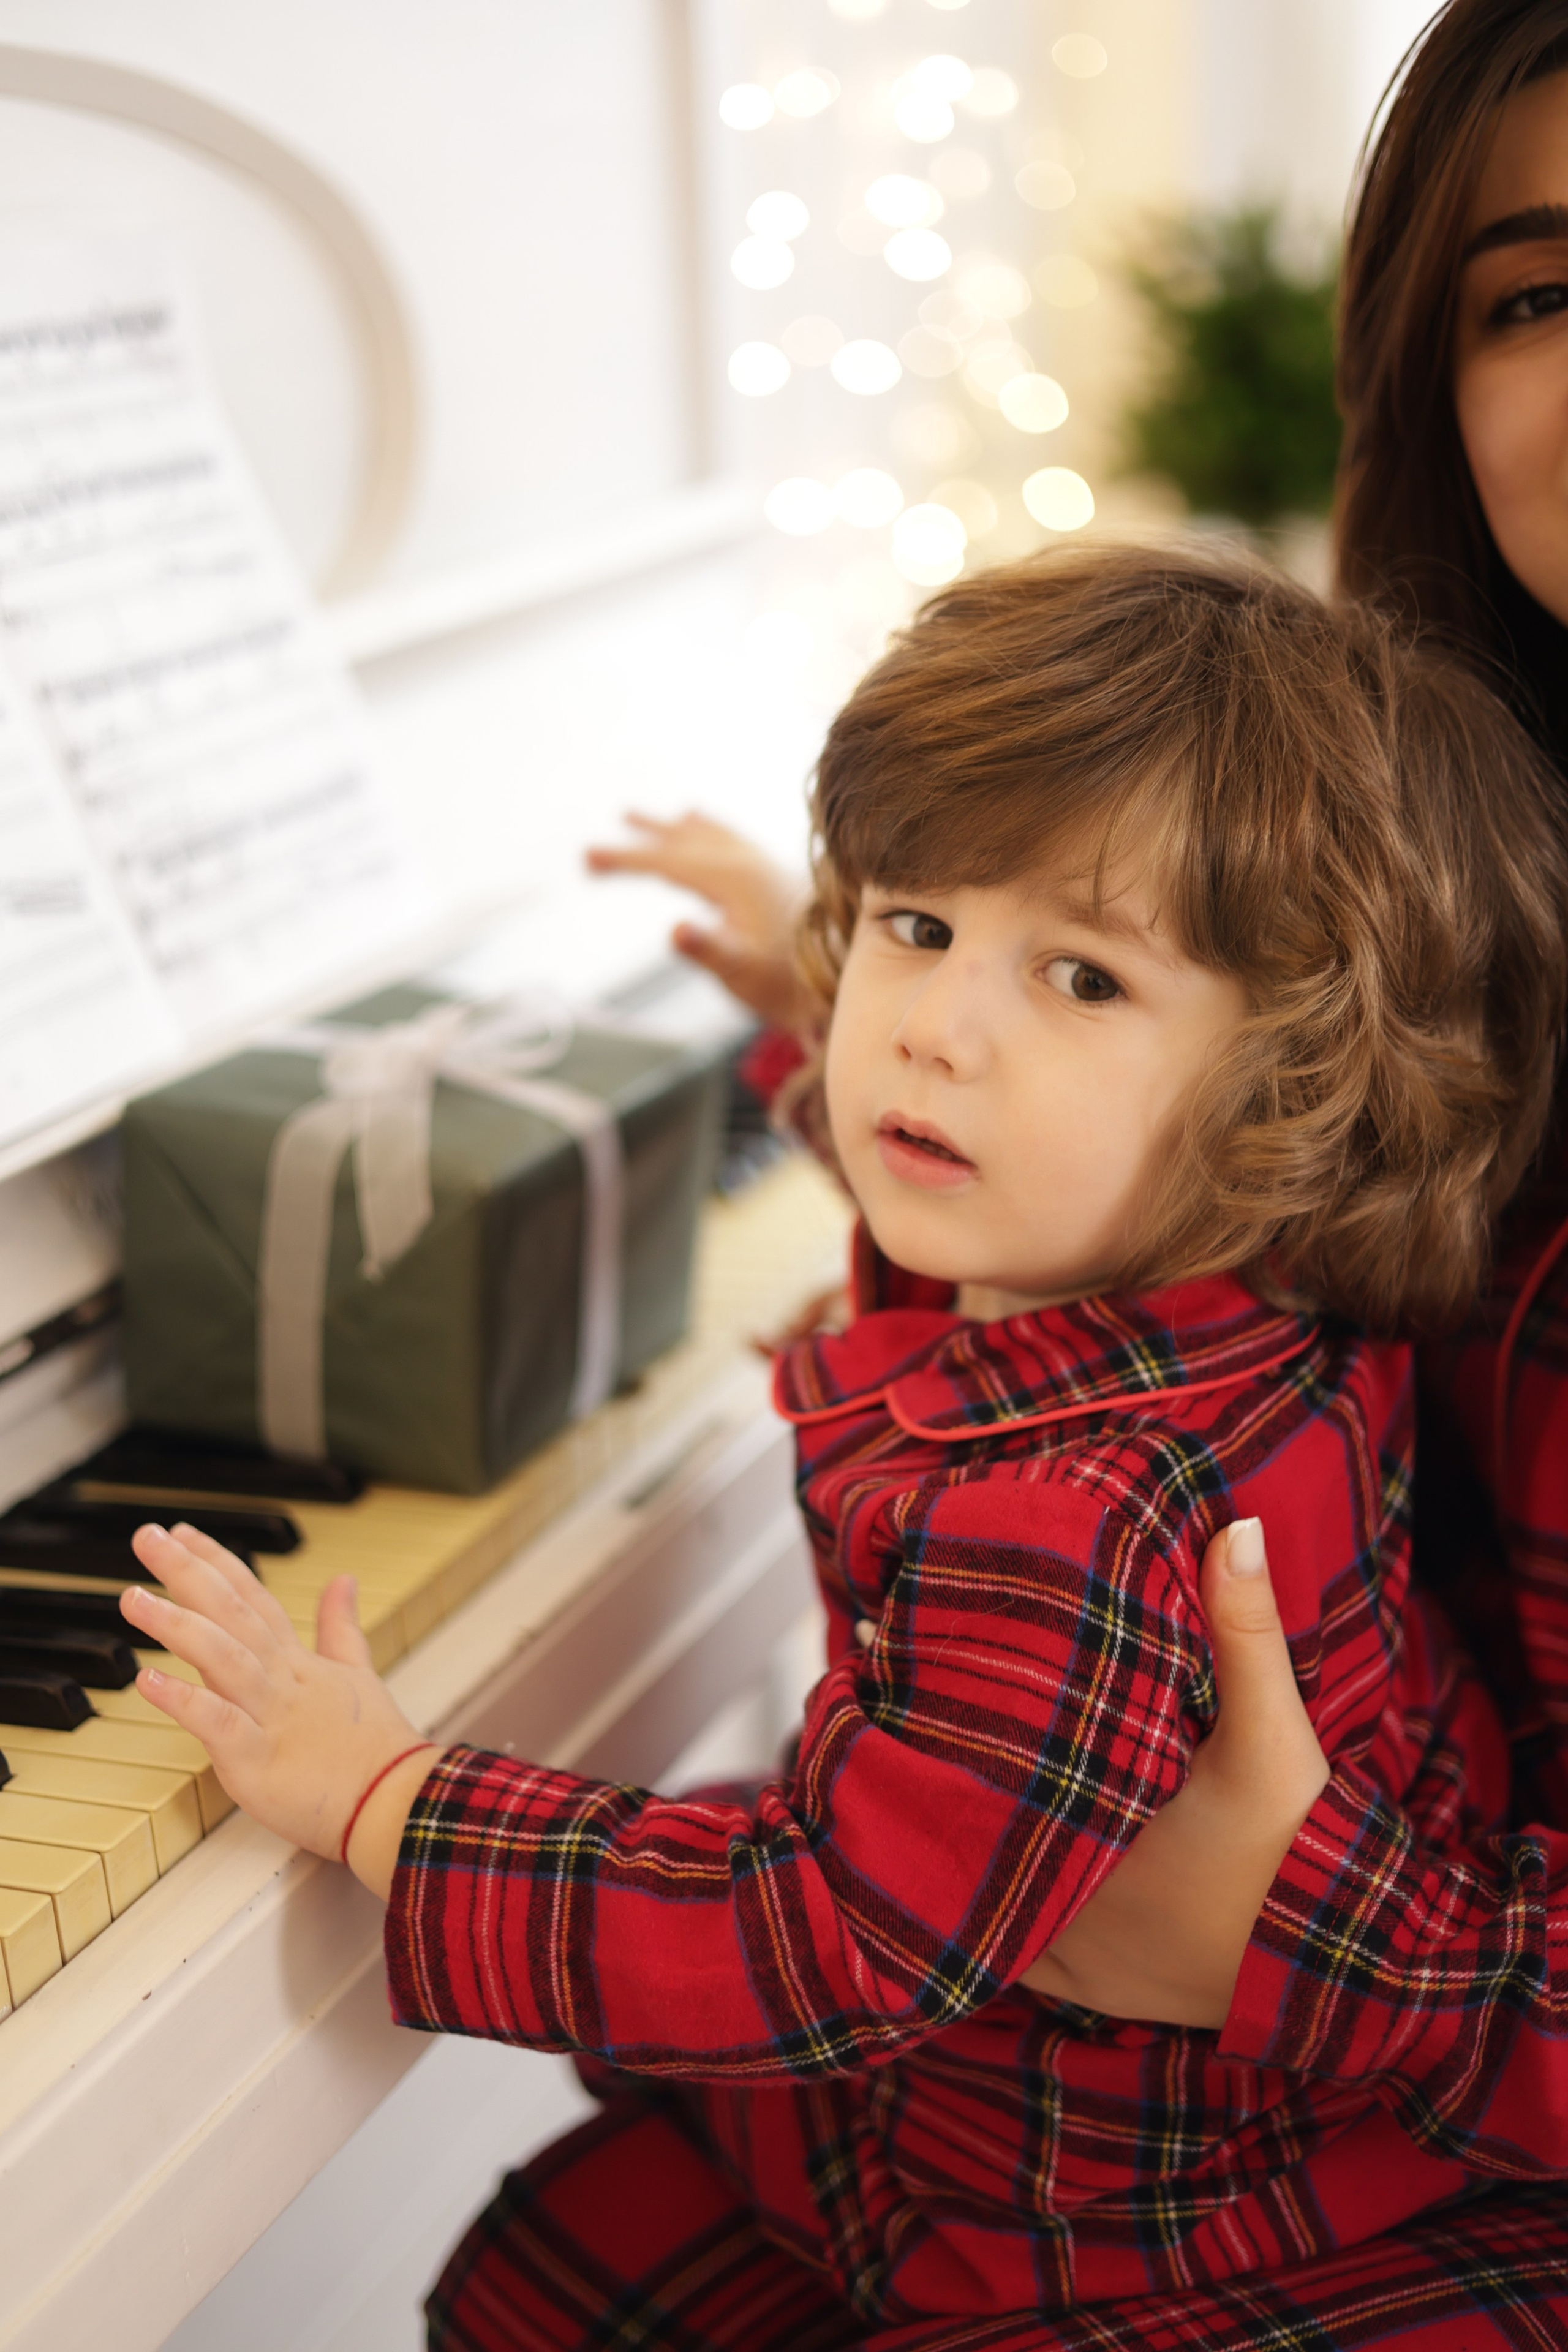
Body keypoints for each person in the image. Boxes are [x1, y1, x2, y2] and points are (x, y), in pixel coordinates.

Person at [122, 545, 1568, 2350]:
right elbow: (985, 1162)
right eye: (918, 922)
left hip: (1089, 2202)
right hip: (1140, 2069)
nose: (939, 1031)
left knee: (538, 2280)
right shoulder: (1235, 1278)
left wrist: (388, 1802)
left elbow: (824, 1942)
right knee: (555, 2256)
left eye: (1086, 980)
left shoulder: (1079, 1519)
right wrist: (824, 1004)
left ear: (1293, 1092)